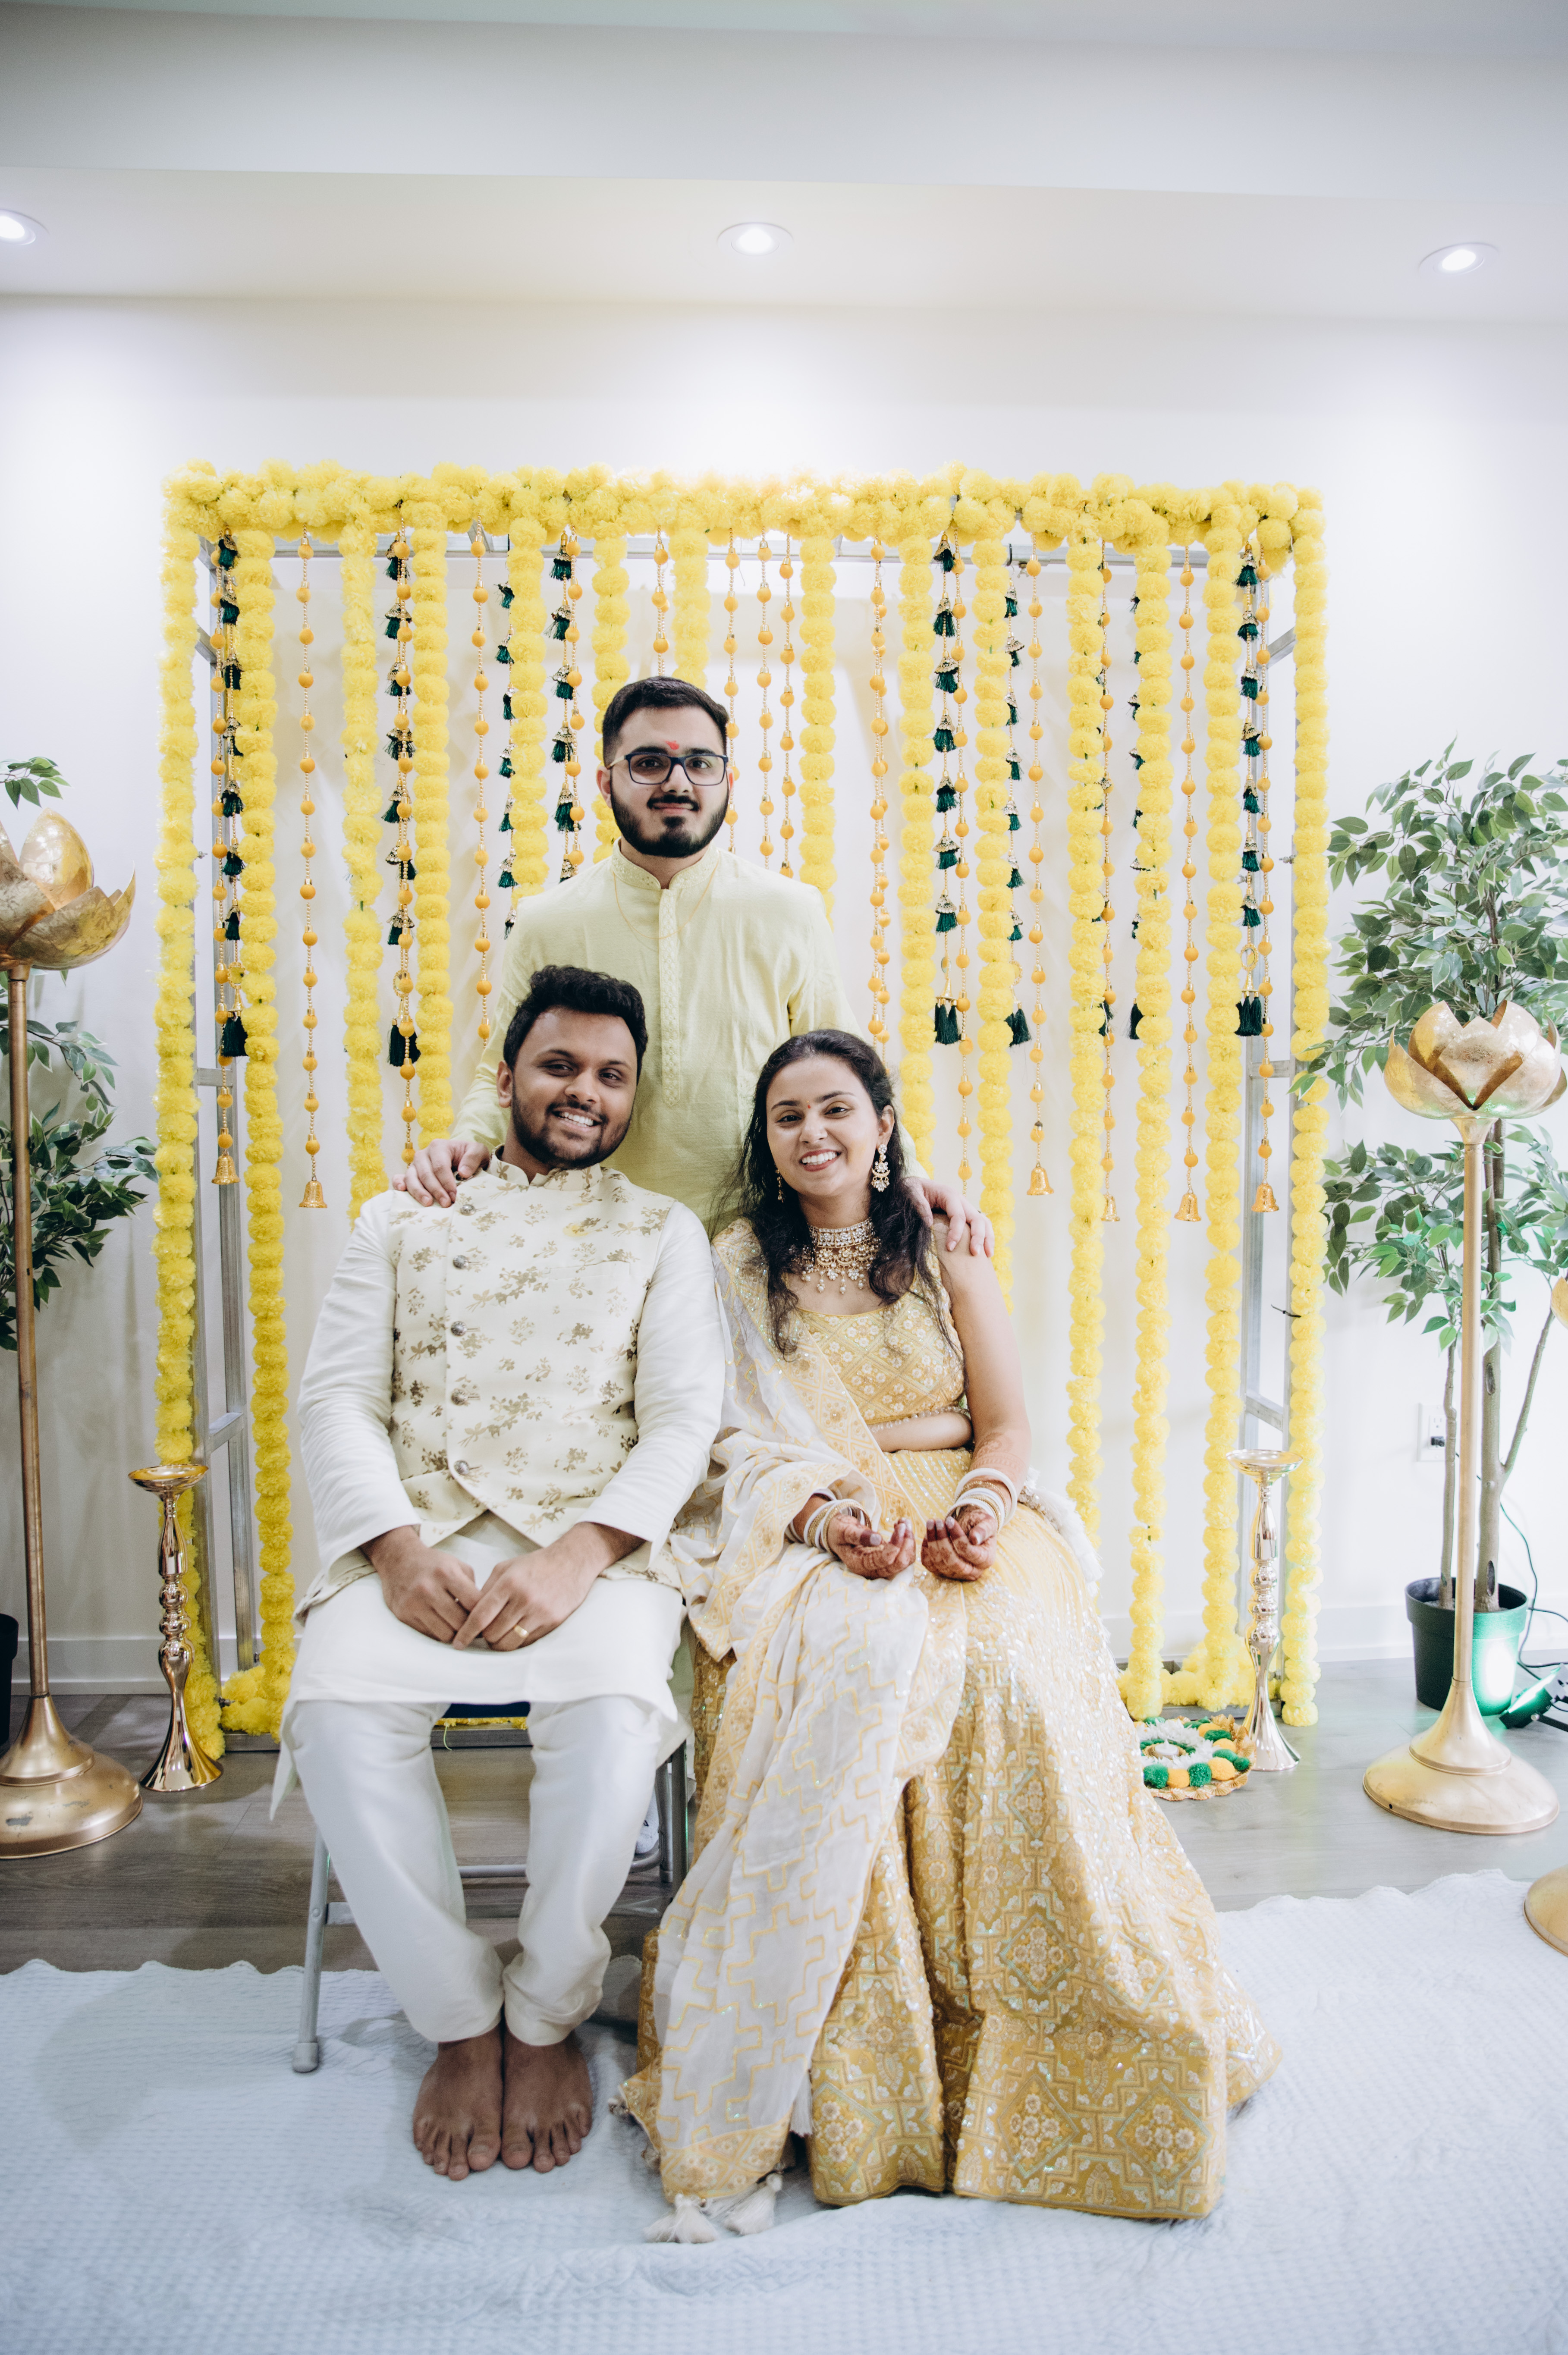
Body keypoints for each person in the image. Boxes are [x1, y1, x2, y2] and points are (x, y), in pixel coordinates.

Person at [620, 1030, 1280, 2233]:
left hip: (964, 1509)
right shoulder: (734, 1265)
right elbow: (724, 1445)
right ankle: (866, 2068)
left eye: (835, 1108)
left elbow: (1008, 1424)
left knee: (1007, 1670)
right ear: (766, 1140)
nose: (812, 1133)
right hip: (817, 1518)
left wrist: (977, 1510)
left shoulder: (943, 1249)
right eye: (786, 1116)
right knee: (844, 1667)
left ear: (881, 1124)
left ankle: (1063, 2026)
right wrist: (829, 1521)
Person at [274, 966, 724, 2185]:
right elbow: (334, 1401)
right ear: (510, 1075)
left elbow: (684, 1420)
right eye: (559, 1065)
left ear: (632, 1096)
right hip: (417, 1540)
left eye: (611, 1076)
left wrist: (580, 1555)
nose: (585, 1091)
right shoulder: (401, 1217)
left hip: (596, 1553)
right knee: (335, 1713)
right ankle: (461, 2022)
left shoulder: (663, 1233)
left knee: (617, 1715)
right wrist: (392, 1547)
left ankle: (546, 2015)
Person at [399, 672, 989, 1256]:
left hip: (762, 1245)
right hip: (595, 1245)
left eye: (700, 763)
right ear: (605, 782)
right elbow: (499, 1071)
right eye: (649, 763)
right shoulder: (548, 921)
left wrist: (907, 1176)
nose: (677, 782)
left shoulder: (788, 910)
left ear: (727, 779)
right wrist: (465, 1145)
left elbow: (847, 1069)